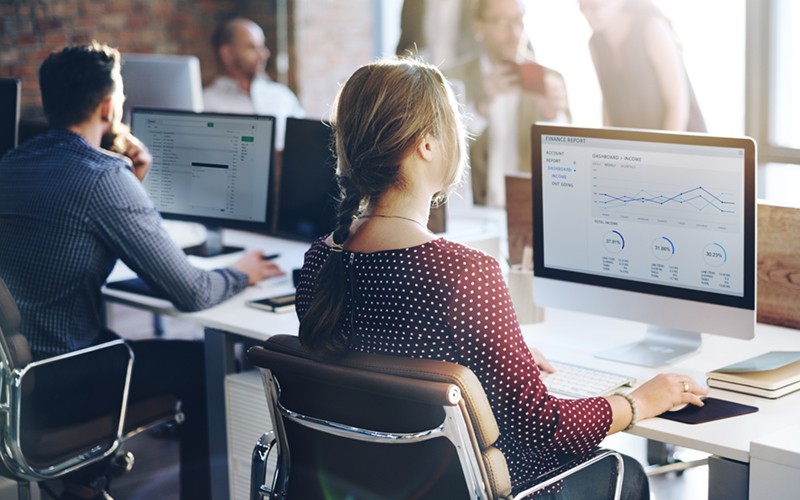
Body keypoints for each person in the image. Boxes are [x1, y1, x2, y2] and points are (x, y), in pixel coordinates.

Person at [294, 57, 708, 498]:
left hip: (374, 484)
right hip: (482, 489)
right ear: (427, 146)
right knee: (625, 469)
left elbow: (390, 353)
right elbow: (543, 430)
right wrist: (639, 402)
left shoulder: (322, 258)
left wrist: (493, 347)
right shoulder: (462, 273)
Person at [0, 42, 282, 500]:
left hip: (15, 380)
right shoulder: (102, 176)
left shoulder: (10, 165)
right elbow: (191, 292)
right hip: (66, 379)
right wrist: (244, 271)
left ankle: (81, 482)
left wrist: (132, 181)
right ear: (110, 107)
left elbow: (76, 230)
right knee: (204, 366)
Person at [446, 0, 571, 207]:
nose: (515, 32)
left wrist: (553, 117)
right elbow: (444, 156)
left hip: (529, 210)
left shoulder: (549, 79)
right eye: (503, 22)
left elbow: (567, 163)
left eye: (519, 21)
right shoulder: (454, 79)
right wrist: (479, 107)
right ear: (479, 26)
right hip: (472, 210)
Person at [578, 0, 706, 132]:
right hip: (636, 143)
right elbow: (609, 102)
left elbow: (678, 103)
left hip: (679, 138)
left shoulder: (652, 27)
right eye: (582, 8)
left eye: (595, 7)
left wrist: (663, 150)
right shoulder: (595, 43)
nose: (587, 15)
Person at [203, 16, 305, 150]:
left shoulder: (282, 96)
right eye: (252, 47)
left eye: (262, 46)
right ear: (227, 53)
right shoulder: (205, 104)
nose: (264, 54)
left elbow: (306, 142)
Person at [395, 0, 478, 70]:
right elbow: (406, 40)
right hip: (422, 77)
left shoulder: (473, 3)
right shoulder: (414, 2)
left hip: (461, 74)